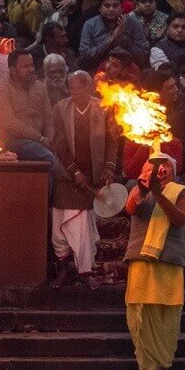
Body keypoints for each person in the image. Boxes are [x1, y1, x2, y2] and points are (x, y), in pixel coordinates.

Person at [124, 157, 185, 370]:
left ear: (174, 170)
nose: (161, 168)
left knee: (168, 319)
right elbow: (130, 208)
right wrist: (145, 188)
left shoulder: (181, 192)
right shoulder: (138, 188)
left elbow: (180, 219)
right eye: (155, 165)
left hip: (169, 261)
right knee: (139, 317)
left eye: (166, 165)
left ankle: (165, 369)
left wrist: (160, 194)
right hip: (141, 258)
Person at [50, 71, 118, 288]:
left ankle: (84, 271)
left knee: (83, 228)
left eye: (79, 87)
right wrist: (74, 171)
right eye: (71, 87)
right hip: (66, 176)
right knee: (60, 228)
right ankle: (64, 268)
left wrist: (109, 167)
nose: (74, 91)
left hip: (92, 177)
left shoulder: (103, 108)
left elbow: (112, 141)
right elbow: (59, 143)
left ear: (89, 88)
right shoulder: (61, 108)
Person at [0, 50, 56, 186]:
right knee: (48, 158)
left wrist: (50, 139)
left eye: (32, 65)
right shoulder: (1, 90)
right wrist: (40, 139)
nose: (31, 69)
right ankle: (44, 205)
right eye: (26, 67)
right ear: (13, 70)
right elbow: (10, 123)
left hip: (41, 141)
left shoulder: (41, 87)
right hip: (15, 141)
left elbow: (49, 118)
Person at [79, 0, 150, 69]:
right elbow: (84, 56)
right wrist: (111, 39)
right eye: (106, 5)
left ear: (122, 8)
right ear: (100, 8)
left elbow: (144, 56)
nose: (111, 9)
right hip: (98, 71)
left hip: (128, 70)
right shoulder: (90, 24)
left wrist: (124, 39)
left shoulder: (133, 23)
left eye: (115, 6)